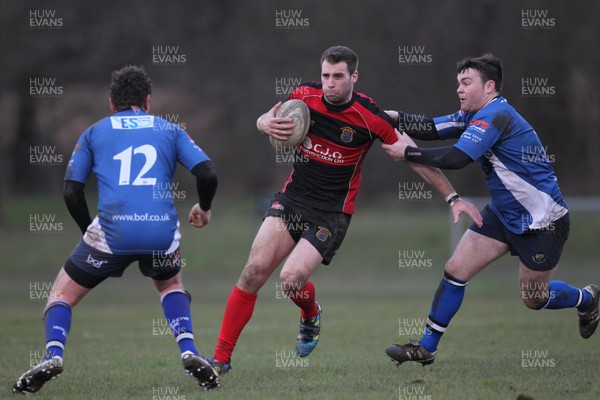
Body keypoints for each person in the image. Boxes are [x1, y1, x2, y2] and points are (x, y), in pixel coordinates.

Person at [207, 46, 482, 376]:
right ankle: (220, 361)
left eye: (338, 76)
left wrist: (453, 198)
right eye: (326, 76)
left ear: (353, 77)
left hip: (331, 213)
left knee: (291, 281)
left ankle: (310, 314)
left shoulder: (370, 117)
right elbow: (267, 117)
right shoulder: (303, 96)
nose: (330, 83)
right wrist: (264, 123)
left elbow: (413, 155)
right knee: (252, 272)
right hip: (292, 200)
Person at [13, 65, 220, 394]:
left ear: (112, 104)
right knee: (170, 285)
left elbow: (71, 190)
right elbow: (207, 173)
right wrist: (204, 209)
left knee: (61, 296)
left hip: (112, 232)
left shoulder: (94, 132)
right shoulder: (170, 129)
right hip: (160, 232)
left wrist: (88, 233)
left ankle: (53, 354)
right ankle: (190, 351)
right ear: (148, 101)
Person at [382, 53, 599, 366]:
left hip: (543, 223)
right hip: (501, 215)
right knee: (455, 270)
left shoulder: (497, 116)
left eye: (466, 83)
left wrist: (409, 152)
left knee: (533, 299)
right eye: (458, 82)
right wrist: (386, 116)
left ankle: (587, 298)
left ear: (490, 86)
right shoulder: (472, 114)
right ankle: (426, 347)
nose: (459, 89)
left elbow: (458, 158)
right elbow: (428, 126)